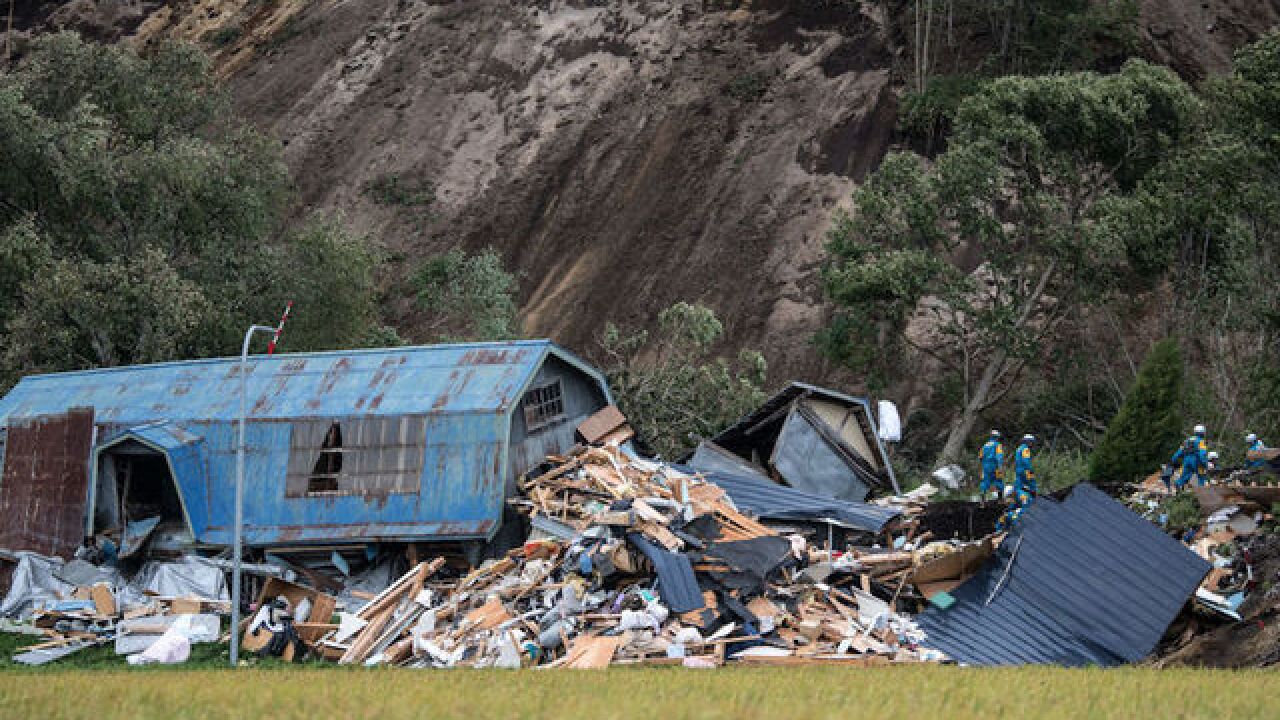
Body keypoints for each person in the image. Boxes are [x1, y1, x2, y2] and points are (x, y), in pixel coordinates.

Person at [978, 430, 1005, 499]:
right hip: (995, 466)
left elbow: (980, 457)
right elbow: (999, 457)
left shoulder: (984, 446)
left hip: (985, 467)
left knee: (985, 482)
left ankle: (982, 501)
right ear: (997, 437)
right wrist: (1000, 467)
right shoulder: (998, 445)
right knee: (998, 481)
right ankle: (1000, 500)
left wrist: (982, 467)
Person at [1013, 434, 1037, 499]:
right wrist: (1030, 470)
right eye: (1031, 442)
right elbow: (1025, 461)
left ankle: (1017, 498)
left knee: (1018, 485)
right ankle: (1034, 498)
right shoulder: (1026, 449)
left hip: (1018, 470)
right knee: (1032, 483)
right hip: (1025, 470)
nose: (1032, 444)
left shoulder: (1019, 448)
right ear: (1028, 442)